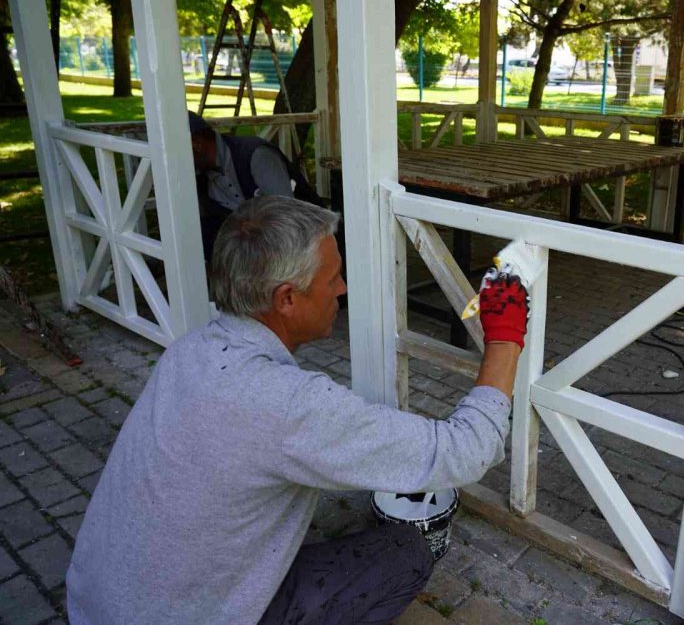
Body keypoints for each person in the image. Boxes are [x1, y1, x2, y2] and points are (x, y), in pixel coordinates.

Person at [66, 196, 530, 624]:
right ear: (287, 298)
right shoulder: (286, 403)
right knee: (403, 553)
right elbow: (463, 453)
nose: (343, 289)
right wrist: (505, 340)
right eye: (332, 279)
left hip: (97, 604)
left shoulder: (191, 349)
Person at [187, 111, 327, 260]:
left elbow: (288, 219)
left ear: (197, 144)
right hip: (257, 255)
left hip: (308, 243)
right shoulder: (199, 178)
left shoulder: (255, 155)